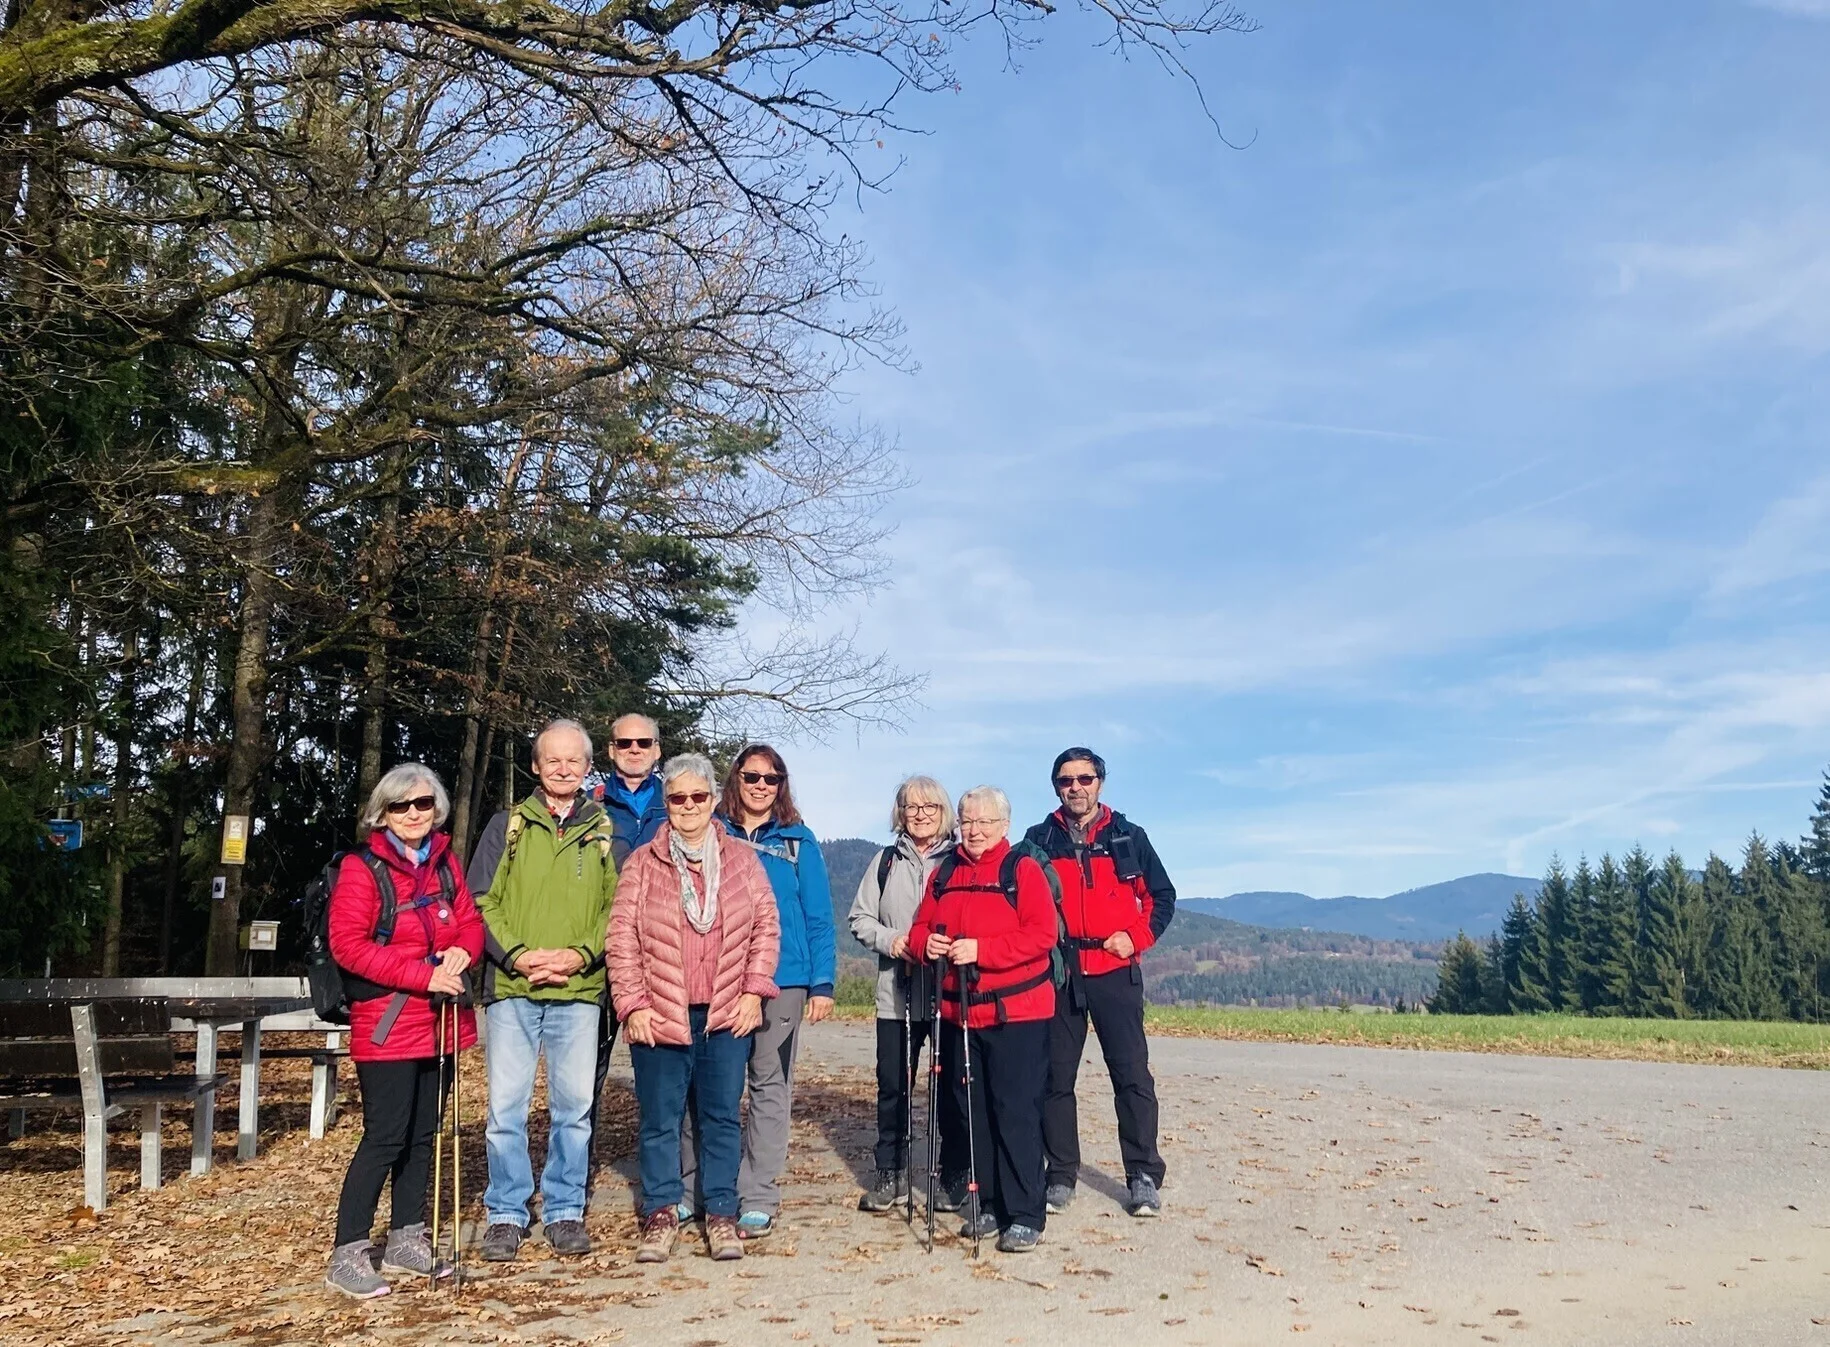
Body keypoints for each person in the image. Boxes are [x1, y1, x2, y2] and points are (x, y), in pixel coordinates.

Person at [609, 753, 780, 1263]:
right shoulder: (643, 862)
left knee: (722, 1116)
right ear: (666, 803)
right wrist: (632, 1003)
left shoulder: (742, 860)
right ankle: (661, 1211)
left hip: (727, 1010)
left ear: (712, 801)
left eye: (698, 797)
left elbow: (766, 929)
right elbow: (620, 939)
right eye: (677, 797)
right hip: (661, 1010)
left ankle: (721, 1213)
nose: (688, 806)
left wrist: (754, 992)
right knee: (660, 1119)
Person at [325, 764, 484, 1299]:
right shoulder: (361, 868)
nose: (414, 814)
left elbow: (470, 920)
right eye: (401, 806)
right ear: (383, 812)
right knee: (385, 1136)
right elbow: (348, 944)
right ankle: (348, 1252)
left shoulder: (444, 862)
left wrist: (465, 950)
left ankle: (406, 1236)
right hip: (388, 1022)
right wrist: (425, 974)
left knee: (423, 1135)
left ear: (436, 808)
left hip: (440, 1020)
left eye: (423, 804)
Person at [467, 719, 620, 1261]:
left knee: (574, 1108)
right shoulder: (505, 825)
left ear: (586, 768)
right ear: (535, 766)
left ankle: (564, 1211)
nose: (562, 769)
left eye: (573, 761)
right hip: (512, 985)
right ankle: (506, 1213)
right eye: (552, 760)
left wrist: (578, 954)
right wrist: (518, 956)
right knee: (506, 1108)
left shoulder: (603, 831)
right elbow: (481, 899)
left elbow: (615, 909)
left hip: (579, 990)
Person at [1023, 747, 1176, 1218]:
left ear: (1100, 783)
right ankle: (1061, 1174)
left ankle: (1143, 1174)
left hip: (1115, 972)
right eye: (1067, 780)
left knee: (1131, 1077)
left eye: (1085, 778)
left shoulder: (1129, 836)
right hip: (1061, 973)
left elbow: (1163, 897)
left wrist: (1137, 938)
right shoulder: (1037, 839)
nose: (1076, 787)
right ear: (1056, 787)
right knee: (1054, 1078)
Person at [905, 785, 1057, 1253]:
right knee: (974, 1114)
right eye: (967, 822)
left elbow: (1042, 935)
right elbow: (920, 925)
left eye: (984, 823)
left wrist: (983, 952)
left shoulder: (1022, 870)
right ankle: (989, 1203)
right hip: (958, 1014)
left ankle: (1026, 1212)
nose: (973, 831)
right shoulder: (946, 873)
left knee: (1016, 1113)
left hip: (1018, 1015)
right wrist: (922, 943)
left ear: (1003, 827)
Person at [706, 743, 835, 1240]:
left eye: (771, 779)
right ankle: (702, 1187)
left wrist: (822, 983)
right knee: (714, 1087)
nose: (761, 786)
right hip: (720, 978)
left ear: (782, 786)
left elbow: (819, 917)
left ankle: (758, 1193)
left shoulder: (799, 842)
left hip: (785, 980)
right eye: (752, 776)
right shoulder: (711, 831)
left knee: (769, 1085)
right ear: (735, 778)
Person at [847, 775, 967, 1213]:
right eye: (911, 807)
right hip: (895, 996)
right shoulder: (884, 862)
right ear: (900, 813)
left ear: (944, 812)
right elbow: (860, 918)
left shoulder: (959, 861)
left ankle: (953, 1172)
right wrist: (894, 941)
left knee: (954, 1087)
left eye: (929, 807)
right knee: (893, 1087)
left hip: (950, 995)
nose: (919, 815)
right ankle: (891, 1173)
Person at [580, 713, 668, 1192]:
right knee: (584, 1076)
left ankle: (662, 1179)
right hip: (597, 959)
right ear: (610, 751)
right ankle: (577, 1175)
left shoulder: (679, 804)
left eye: (643, 742)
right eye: (624, 743)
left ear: (658, 750)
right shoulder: (588, 806)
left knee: (659, 1078)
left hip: (659, 961)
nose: (634, 749)